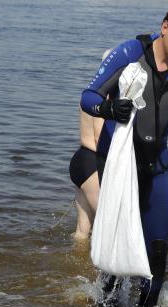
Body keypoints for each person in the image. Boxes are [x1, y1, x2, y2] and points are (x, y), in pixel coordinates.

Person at [80, 5, 168, 307]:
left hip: (156, 165)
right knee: (116, 243)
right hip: (118, 161)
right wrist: (108, 110)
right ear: (165, 27)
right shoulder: (129, 53)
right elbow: (88, 96)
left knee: (157, 250)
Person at [69, 51, 111, 239]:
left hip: (79, 161)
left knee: (82, 230)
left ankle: (75, 265)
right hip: (94, 164)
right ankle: (99, 268)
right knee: (106, 226)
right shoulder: (105, 98)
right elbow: (98, 137)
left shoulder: (89, 94)